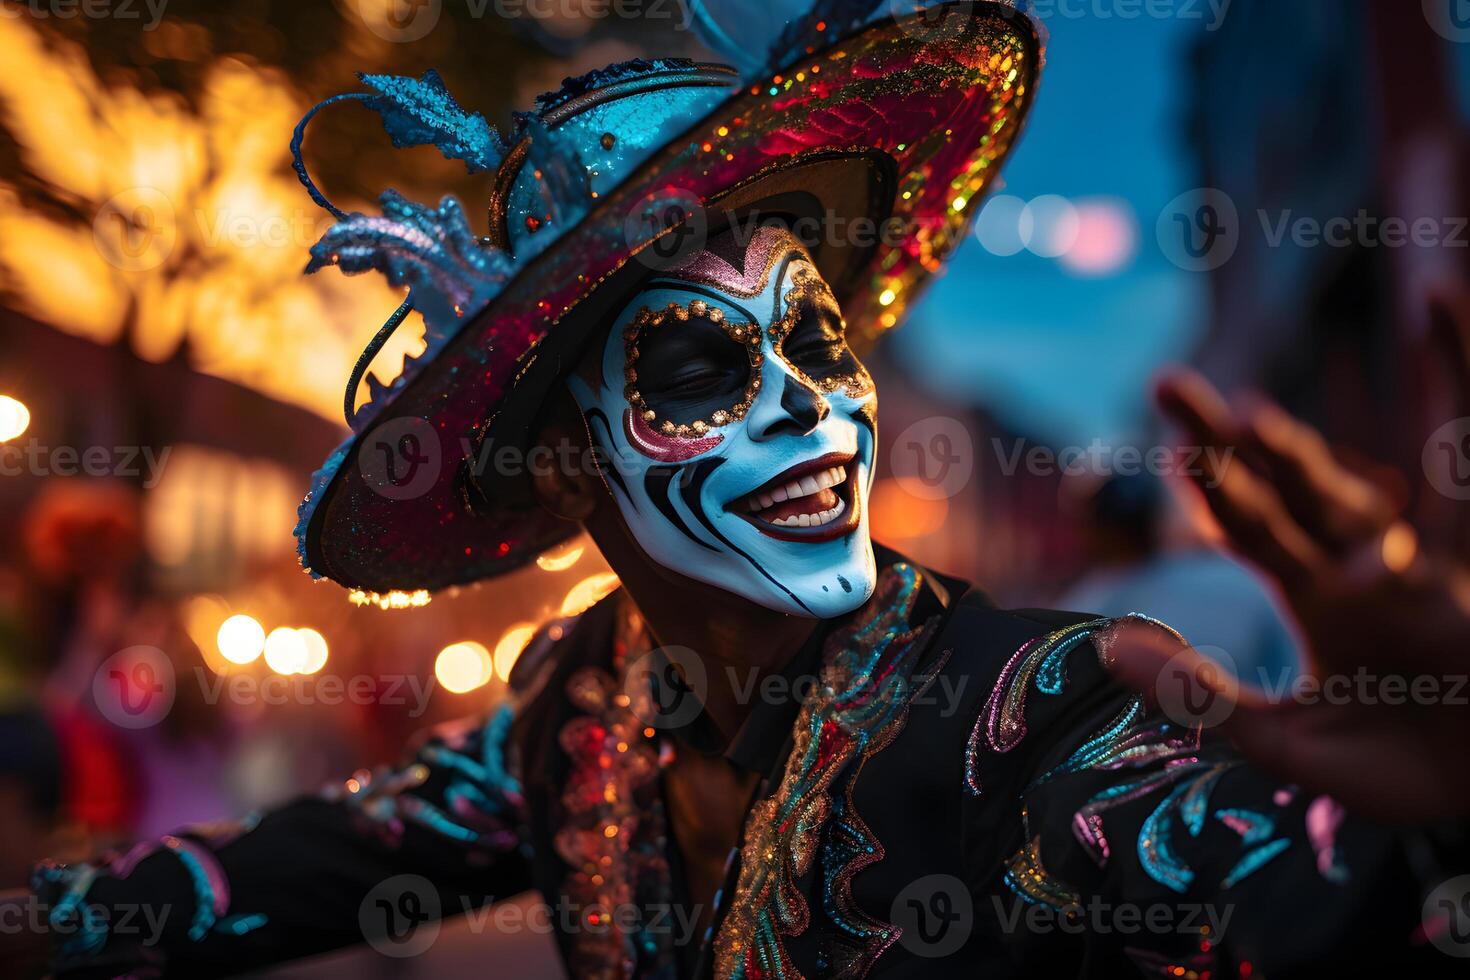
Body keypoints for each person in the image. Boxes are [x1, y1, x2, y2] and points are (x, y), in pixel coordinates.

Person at [17, 3, 1470, 977]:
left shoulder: (1025, 716)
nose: (814, 403)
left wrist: (1433, 823)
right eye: (701, 367)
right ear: (568, 457)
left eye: (816, 339)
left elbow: (1299, 908)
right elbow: (268, 874)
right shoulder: (580, 710)